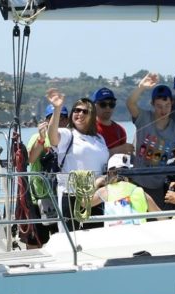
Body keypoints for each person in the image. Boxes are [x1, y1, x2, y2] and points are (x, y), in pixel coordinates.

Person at [46, 88, 109, 232]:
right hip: (72, 194)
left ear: (92, 115)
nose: (79, 114)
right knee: (72, 238)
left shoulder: (99, 138)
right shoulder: (68, 134)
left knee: (95, 235)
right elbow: (52, 137)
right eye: (76, 110)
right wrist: (57, 109)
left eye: (84, 111)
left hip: (95, 194)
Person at [126, 72, 175, 208]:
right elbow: (130, 103)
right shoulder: (143, 118)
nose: (163, 110)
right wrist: (141, 87)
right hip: (135, 185)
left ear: (172, 104)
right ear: (152, 104)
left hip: (157, 188)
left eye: (167, 106)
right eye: (159, 106)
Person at [24, 104, 68, 248]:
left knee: (61, 236)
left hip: (62, 195)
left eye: (63, 118)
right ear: (47, 121)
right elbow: (30, 159)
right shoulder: (37, 138)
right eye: (54, 118)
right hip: (40, 196)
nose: (59, 121)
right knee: (36, 238)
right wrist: (42, 139)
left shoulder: (69, 138)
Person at [91, 154, 161, 226]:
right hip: (139, 235)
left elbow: (83, 204)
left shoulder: (105, 191)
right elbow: (162, 217)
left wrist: (96, 183)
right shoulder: (141, 192)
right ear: (129, 173)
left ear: (109, 173)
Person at [92, 87, 134, 155]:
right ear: (93, 106)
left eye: (111, 104)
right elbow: (90, 156)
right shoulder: (88, 129)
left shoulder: (120, 130)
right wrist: (118, 150)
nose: (108, 107)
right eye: (103, 104)